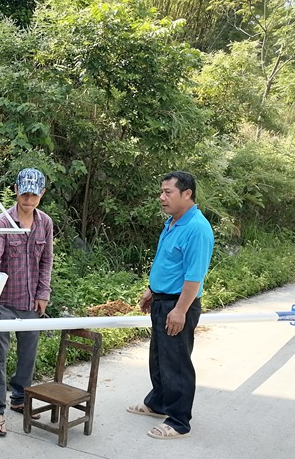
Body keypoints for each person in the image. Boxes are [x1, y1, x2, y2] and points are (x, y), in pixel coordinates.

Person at [127, 171, 214, 439]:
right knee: (159, 357)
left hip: (179, 304)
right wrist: (152, 290)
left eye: (168, 192)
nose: (161, 197)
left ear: (186, 194)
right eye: (161, 191)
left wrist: (180, 310)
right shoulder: (173, 222)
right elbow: (169, 264)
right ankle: (158, 403)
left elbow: (193, 276)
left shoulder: (197, 228)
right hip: (162, 300)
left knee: (176, 362)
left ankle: (178, 420)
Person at [0, 168, 53, 436]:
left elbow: (46, 260)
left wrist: (43, 294)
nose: (29, 199)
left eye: (34, 194)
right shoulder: (1, 222)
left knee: (29, 353)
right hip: (3, 300)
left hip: (30, 301)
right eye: (24, 193)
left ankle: (19, 398)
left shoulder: (45, 222)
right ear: (16, 189)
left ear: (42, 194)